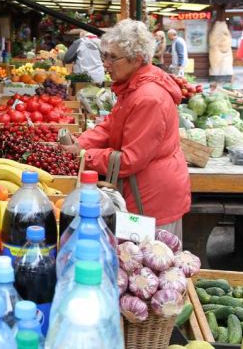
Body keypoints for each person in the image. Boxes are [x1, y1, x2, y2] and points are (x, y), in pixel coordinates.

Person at [62, 19, 190, 235]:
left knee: (149, 261)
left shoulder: (149, 98)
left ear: (137, 59)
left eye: (113, 57)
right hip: (140, 189)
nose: (106, 63)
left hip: (151, 198)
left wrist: (86, 155)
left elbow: (131, 159)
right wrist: (81, 142)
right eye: (105, 56)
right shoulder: (133, 87)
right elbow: (112, 125)